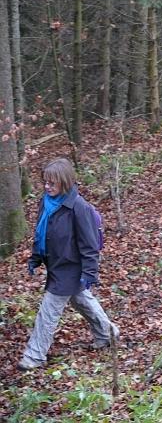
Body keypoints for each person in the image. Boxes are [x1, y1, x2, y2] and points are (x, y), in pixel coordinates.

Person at [18, 158, 119, 371]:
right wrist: (35, 258)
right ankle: (107, 333)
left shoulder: (78, 207)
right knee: (81, 300)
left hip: (70, 267)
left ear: (64, 182)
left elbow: (90, 245)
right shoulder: (45, 203)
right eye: (45, 182)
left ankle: (34, 356)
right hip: (55, 264)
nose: (47, 187)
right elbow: (41, 234)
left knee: (48, 311)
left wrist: (89, 272)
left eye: (52, 183)